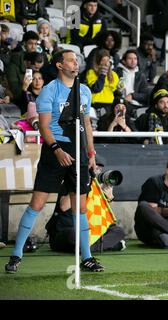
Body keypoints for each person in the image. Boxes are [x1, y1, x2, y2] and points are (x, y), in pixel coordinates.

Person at [4, 49, 104, 273]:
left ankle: (86, 257)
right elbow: (45, 126)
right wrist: (57, 150)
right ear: (59, 65)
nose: (75, 63)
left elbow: (87, 125)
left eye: (76, 60)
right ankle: (16, 254)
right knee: (37, 204)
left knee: (80, 208)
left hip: (78, 150)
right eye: (70, 60)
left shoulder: (84, 91)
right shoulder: (49, 91)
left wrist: (90, 154)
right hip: (54, 150)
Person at [45, 165, 126, 253]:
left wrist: (109, 198)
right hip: (65, 231)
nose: (96, 171)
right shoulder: (72, 182)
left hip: (89, 230)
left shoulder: (97, 188)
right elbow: (64, 206)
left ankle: (86, 248)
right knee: (74, 235)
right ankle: (106, 246)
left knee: (118, 231)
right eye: (95, 168)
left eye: (99, 169)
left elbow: (106, 217)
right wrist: (85, 185)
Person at [85, 49, 119, 118]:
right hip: (96, 105)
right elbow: (97, 88)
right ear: (98, 62)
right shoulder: (91, 72)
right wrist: (102, 75)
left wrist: (120, 88)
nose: (106, 63)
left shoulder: (114, 75)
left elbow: (115, 91)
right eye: (103, 60)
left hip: (110, 105)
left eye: (107, 60)